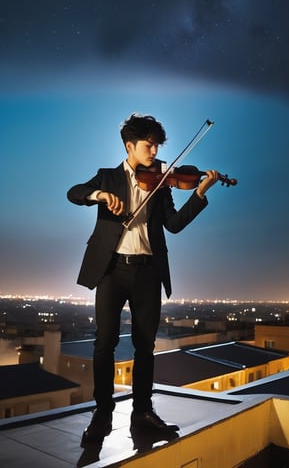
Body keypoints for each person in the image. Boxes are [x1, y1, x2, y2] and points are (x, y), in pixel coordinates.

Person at [67, 113, 219, 446]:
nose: (154, 151)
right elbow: (74, 192)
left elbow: (174, 225)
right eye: (148, 145)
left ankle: (143, 412)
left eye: (157, 145)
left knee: (144, 346)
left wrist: (200, 194)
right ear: (130, 146)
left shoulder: (161, 182)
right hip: (111, 269)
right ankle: (103, 413)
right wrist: (99, 196)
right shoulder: (107, 177)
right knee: (103, 343)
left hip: (148, 271)